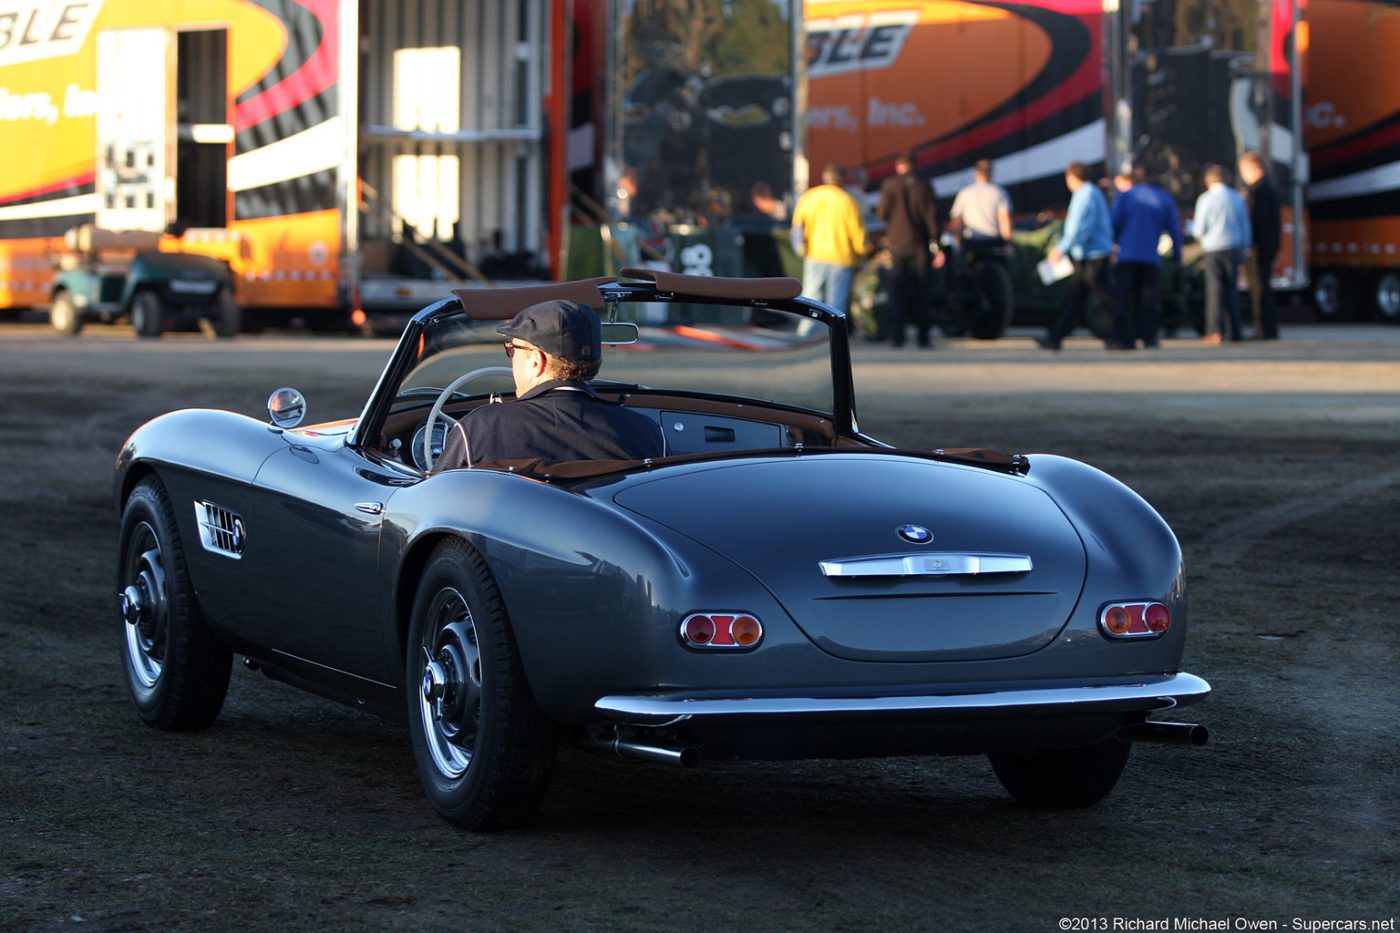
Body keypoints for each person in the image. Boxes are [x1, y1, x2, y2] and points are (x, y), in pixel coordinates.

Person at [435, 299, 666, 469]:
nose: (511, 357)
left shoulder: (480, 429)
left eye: (512, 349)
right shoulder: (647, 433)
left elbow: (435, 502)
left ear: (536, 361)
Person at [1036, 162, 1117, 350]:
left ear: (1073, 177)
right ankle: (1055, 338)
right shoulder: (1088, 193)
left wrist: (1061, 248)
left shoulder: (1086, 195)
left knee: (1106, 297)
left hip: (1093, 255)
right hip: (1087, 254)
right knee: (1076, 298)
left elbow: (1080, 228)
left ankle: (1124, 333)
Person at [876, 149, 944, 348]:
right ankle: (924, 337)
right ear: (916, 165)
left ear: (898, 166)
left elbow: (882, 213)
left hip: (898, 242)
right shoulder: (924, 185)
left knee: (898, 290)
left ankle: (898, 337)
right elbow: (931, 217)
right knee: (924, 290)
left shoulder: (890, 185)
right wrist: (936, 243)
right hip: (920, 243)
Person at [1110, 164, 1182, 348]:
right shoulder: (1163, 198)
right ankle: (1149, 337)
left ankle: (1124, 338)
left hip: (1126, 255)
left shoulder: (1126, 197)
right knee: (1148, 299)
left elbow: (1114, 223)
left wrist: (1113, 246)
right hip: (1150, 257)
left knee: (1124, 298)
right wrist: (1177, 255)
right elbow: (1174, 229)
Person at [790, 164, 868, 321]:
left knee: (810, 299)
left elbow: (797, 226)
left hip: (815, 254)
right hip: (841, 257)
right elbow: (857, 232)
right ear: (842, 179)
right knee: (836, 303)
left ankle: (807, 335)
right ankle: (832, 336)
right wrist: (862, 252)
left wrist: (799, 249)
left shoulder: (810, 196)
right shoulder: (847, 200)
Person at [1192, 163, 1252, 344]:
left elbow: (1199, 229)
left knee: (1214, 290)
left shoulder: (1205, 199)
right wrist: (1245, 246)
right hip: (1233, 247)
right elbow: (1245, 226)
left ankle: (1214, 330)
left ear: (1208, 181)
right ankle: (1236, 332)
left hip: (1213, 248)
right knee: (1232, 289)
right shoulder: (1237, 198)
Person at [1238, 150, 1281, 339]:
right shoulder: (1271, 188)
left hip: (1258, 247)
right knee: (1265, 287)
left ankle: (1263, 328)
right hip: (1269, 244)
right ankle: (1267, 327)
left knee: (1259, 290)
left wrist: (1249, 243)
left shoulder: (1257, 192)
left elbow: (1256, 221)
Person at [949, 158, 1013, 249]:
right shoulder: (999, 192)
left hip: (971, 243)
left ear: (975, 173)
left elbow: (956, 222)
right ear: (991, 173)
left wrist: (957, 243)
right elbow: (1005, 222)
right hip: (993, 243)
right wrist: (1008, 244)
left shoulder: (965, 193)